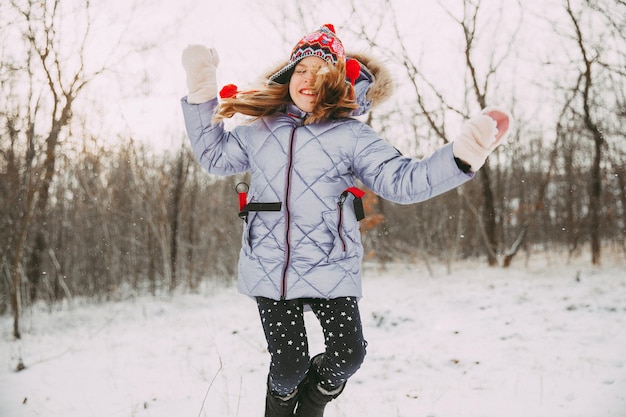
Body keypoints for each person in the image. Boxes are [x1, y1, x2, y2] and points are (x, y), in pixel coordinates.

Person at [181, 24, 511, 417]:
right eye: (301, 70)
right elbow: (214, 157)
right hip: (270, 266)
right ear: (289, 77)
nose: (308, 80)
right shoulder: (260, 131)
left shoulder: (352, 136)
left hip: (330, 264)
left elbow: (402, 182)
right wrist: (202, 88)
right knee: (287, 368)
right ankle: (281, 406)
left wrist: (462, 154)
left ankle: (315, 402)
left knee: (348, 355)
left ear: (335, 83)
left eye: (320, 74)